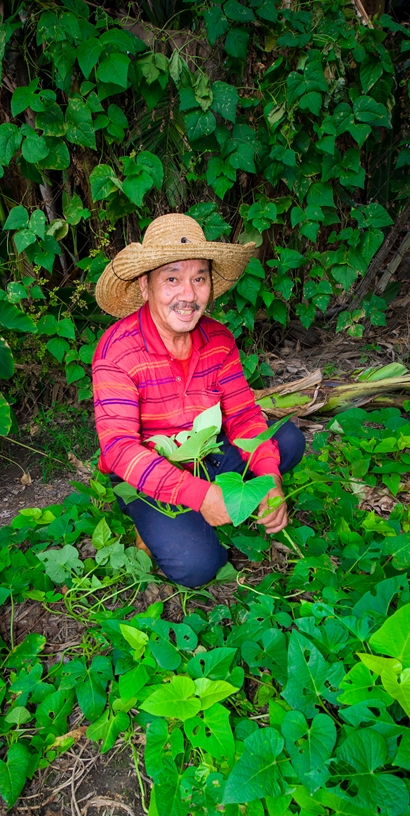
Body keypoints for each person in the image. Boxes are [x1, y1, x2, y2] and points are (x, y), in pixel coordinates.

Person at [92, 213, 305, 588]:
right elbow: (120, 448)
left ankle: (212, 505)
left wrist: (269, 480)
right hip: (149, 468)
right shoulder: (117, 351)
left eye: (199, 278)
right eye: (172, 278)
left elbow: (244, 417)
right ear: (145, 286)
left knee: (287, 441)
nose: (188, 295)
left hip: (206, 451)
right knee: (198, 566)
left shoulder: (218, 339)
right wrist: (201, 495)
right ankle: (161, 517)